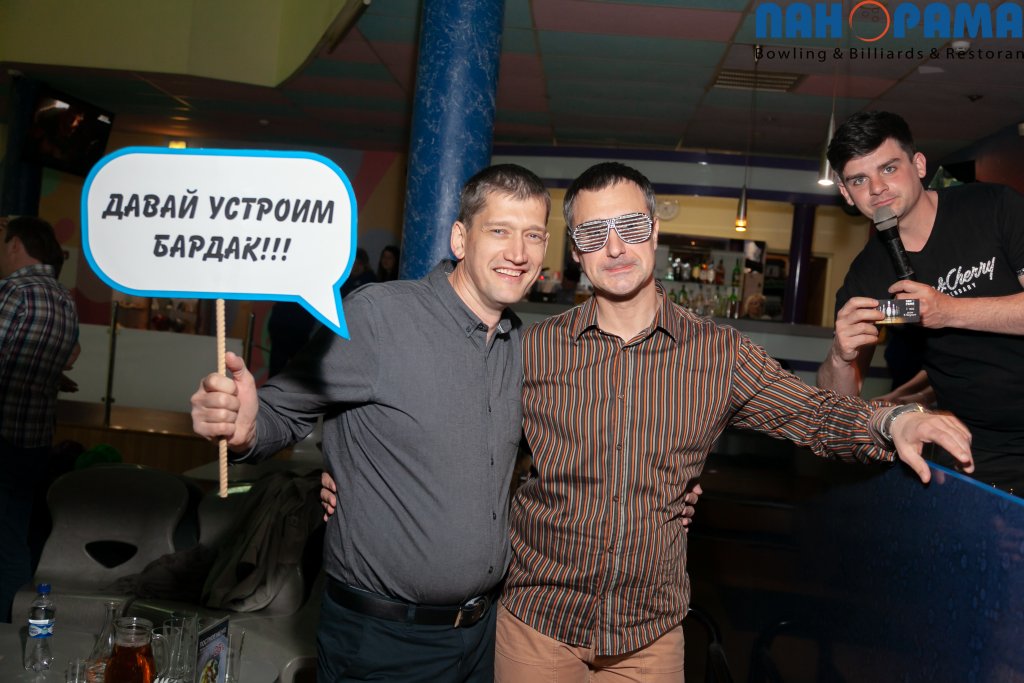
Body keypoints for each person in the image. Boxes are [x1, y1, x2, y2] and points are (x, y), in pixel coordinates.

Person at [494, 162, 973, 682]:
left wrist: (893, 421)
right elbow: (475, 451)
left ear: (654, 230)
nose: (614, 247)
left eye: (630, 226)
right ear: (577, 250)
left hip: (647, 637)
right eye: (593, 233)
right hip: (538, 625)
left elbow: (812, 412)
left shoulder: (718, 354)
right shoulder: (533, 350)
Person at [190, 164, 552, 682]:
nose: (518, 252)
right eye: (499, 230)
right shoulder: (380, 318)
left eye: (533, 235)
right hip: (384, 642)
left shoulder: (520, 345)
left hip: (481, 636)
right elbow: (279, 412)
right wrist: (244, 425)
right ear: (460, 238)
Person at [816, 111, 1024, 494]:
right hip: (974, 444)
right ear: (846, 193)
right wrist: (839, 358)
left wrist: (947, 311)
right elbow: (839, 406)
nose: (877, 188)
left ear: (919, 165)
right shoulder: (866, 275)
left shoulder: (992, 206)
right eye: (859, 180)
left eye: (889, 168)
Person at [0, 216, 79, 622]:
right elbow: (49, 357)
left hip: (2, 434)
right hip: (33, 440)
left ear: (15, 245)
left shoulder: (14, 290)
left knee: (7, 545)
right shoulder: (64, 298)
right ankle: (14, 631)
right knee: (15, 539)